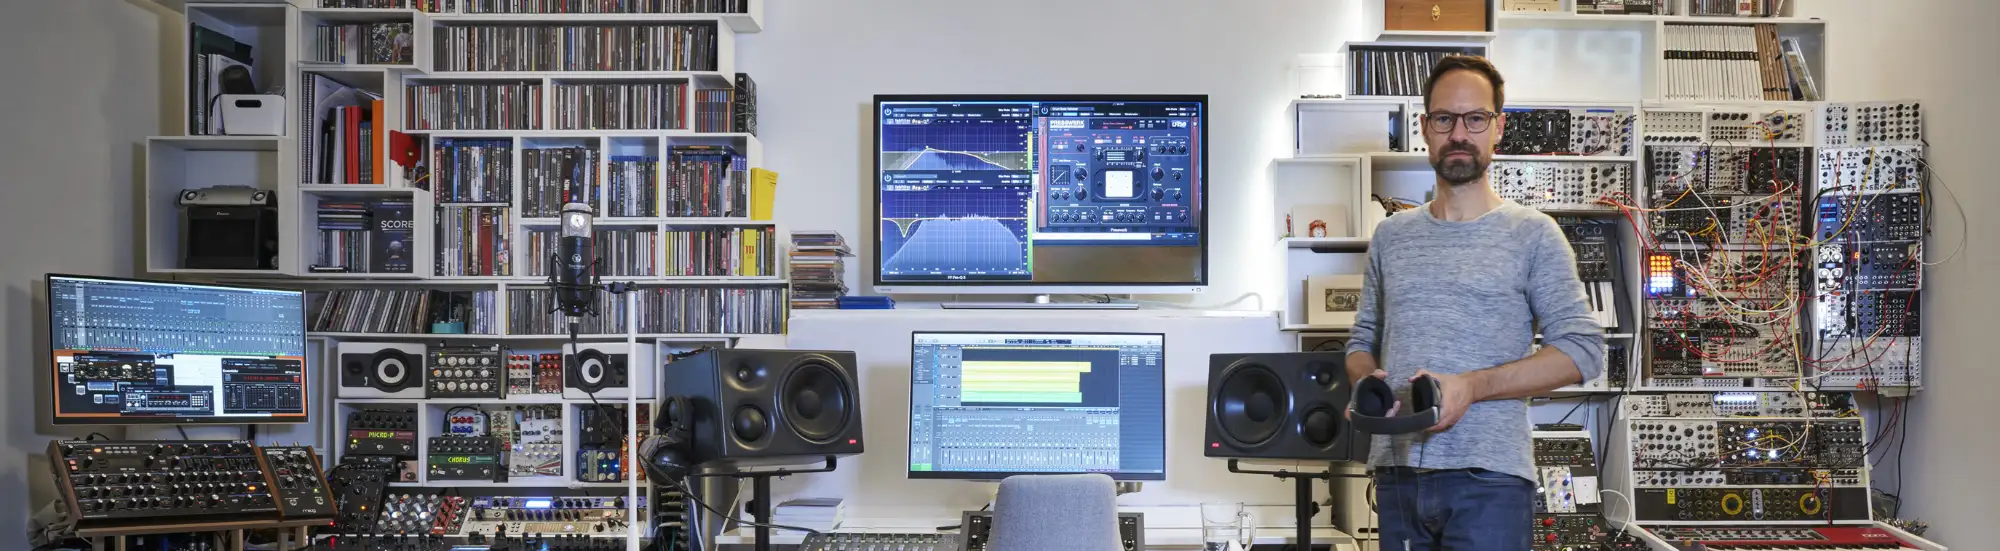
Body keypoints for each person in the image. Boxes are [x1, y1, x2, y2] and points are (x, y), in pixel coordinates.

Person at [1344, 55, 1606, 551]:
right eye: (1444, 119)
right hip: (1397, 476)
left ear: (1497, 128)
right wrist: (1366, 381)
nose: (1458, 133)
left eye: (1475, 119)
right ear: (1425, 128)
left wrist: (1471, 387)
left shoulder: (1533, 235)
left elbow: (1582, 351)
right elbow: (1361, 343)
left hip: (1490, 481)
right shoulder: (1392, 236)